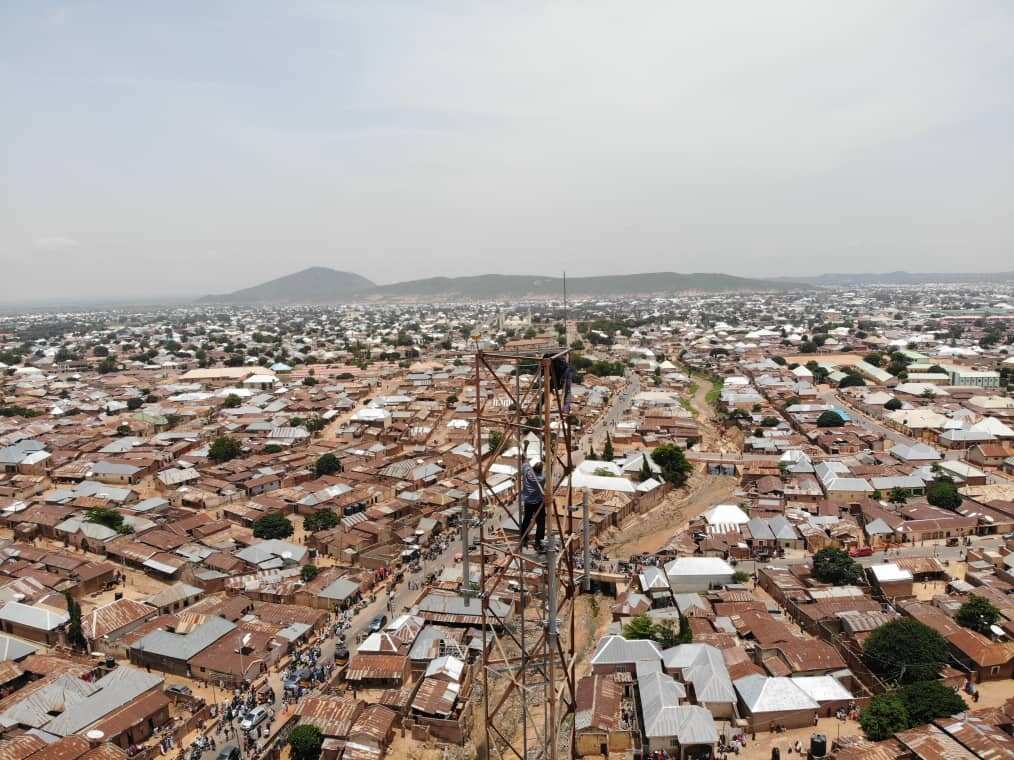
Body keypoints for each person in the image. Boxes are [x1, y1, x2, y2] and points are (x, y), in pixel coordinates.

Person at [519, 457, 545, 550]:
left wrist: (525, 450)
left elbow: (524, 461)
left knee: (526, 520)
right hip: (538, 502)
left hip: (528, 501)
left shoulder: (527, 472)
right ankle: (538, 542)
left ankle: (523, 538)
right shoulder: (542, 478)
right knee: (541, 522)